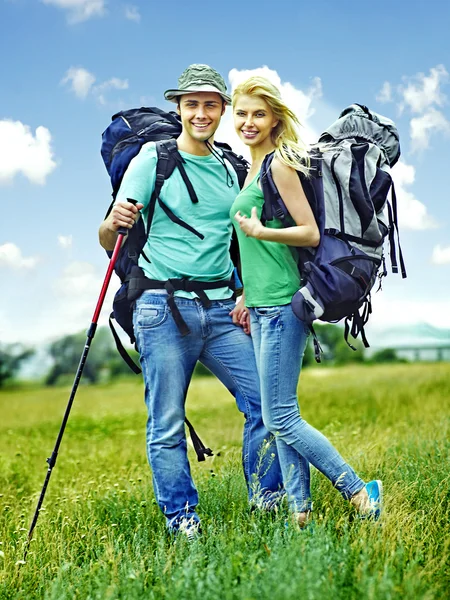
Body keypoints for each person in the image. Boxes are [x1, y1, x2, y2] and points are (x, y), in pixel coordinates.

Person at [99, 65, 283, 537]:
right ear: (179, 108)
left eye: (209, 104)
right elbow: (108, 238)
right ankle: (183, 520)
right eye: (191, 104)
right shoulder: (151, 160)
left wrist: (243, 291)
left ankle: (267, 498)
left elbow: (238, 240)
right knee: (166, 422)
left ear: (222, 109)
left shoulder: (231, 168)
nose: (200, 113)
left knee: (264, 403)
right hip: (161, 307)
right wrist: (112, 221)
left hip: (223, 309)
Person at [230, 76, 383, 527]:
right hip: (258, 305)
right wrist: (243, 292)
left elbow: (309, 232)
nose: (248, 122)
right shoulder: (251, 169)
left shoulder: (280, 164)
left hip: (281, 304)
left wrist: (264, 232)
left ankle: (358, 490)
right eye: (241, 113)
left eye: (259, 113)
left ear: (276, 117)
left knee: (280, 415)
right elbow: (259, 252)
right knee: (279, 416)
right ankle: (300, 512)